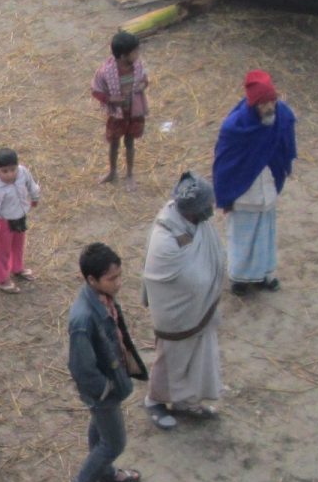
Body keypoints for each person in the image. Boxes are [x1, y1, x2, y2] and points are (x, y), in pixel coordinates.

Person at [65, 242, 145, 482]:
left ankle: (104, 474)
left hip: (110, 381)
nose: (119, 283)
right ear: (91, 279)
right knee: (113, 443)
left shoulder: (101, 298)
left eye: (119, 276)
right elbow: (81, 367)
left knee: (99, 429)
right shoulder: (83, 319)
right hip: (103, 390)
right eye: (112, 279)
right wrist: (105, 390)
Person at [142, 172, 225, 430]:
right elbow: (175, 276)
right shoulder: (165, 236)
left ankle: (185, 402)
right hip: (177, 312)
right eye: (207, 206)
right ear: (192, 210)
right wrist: (203, 282)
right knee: (172, 358)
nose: (211, 211)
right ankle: (155, 400)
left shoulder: (197, 224)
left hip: (200, 309)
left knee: (198, 356)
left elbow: (206, 261)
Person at [212, 70, 298, 295]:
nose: (270, 107)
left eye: (272, 101)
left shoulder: (282, 116)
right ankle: (240, 277)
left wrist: (286, 164)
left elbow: (286, 142)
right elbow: (225, 165)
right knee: (243, 234)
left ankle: (264, 275)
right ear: (253, 105)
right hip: (243, 192)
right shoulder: (235, 128)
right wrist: (225, 196)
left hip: (267, 188)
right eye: (264, 103)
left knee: (265, 233)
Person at [90, 30, 149, 185]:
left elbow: (144, 80)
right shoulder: (105, 72)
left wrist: (142, 85)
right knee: (114, 143)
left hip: (133, 112)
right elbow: (96, 90)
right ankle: (112, 172)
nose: (138, 54)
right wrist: (111, 99)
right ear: (123, 56)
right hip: (117, 114)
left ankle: (129, 174)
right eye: (135, 52)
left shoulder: (137, 66)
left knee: (130, 142)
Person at [0, 147, 41, 293]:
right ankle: (0, 279)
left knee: (18, 245)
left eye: (13, 169)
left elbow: (31, 184)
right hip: (4, 222)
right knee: (2, 251)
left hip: (20, 217)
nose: (10, 174)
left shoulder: (23, 172)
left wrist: (35, 197)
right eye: (4, 171)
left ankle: (17, 268)